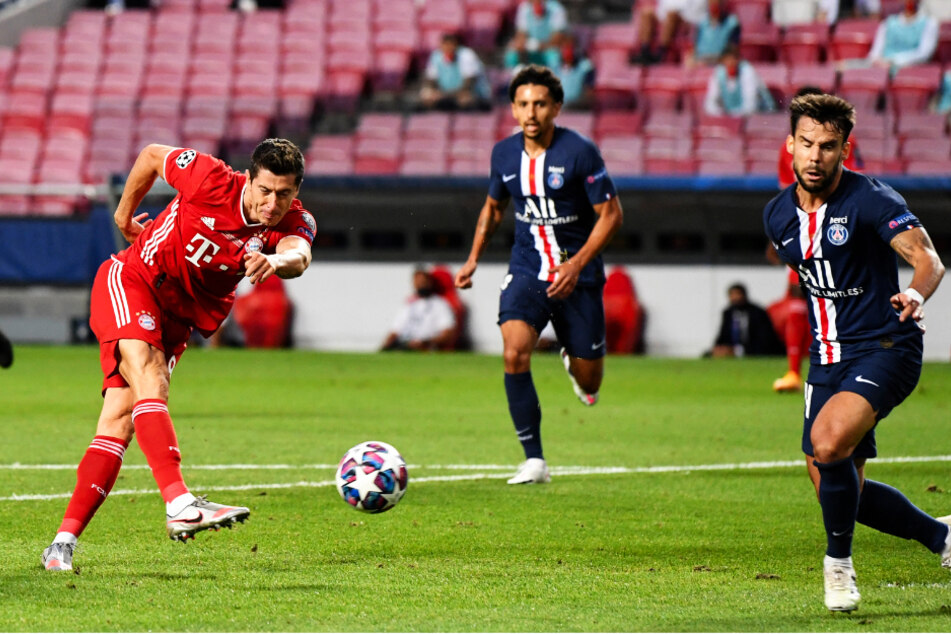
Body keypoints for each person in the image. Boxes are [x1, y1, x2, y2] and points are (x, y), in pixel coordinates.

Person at [40, 139, 315, 572]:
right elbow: (151, 155)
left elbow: (299, 255)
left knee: (119, 420)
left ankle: (61, 544)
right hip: (134, 280)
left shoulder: (292, 221)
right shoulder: (209, 177)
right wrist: (123, 214)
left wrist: (276, 263)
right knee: (151, 378)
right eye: (264, 190)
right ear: (248, 180)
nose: (272, 202)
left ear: (296, 192)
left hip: (176, 320)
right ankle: (180, 504)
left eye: (284, 194)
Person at [763, 92, 950, 613]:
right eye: (806, 144)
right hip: (828, 356)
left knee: (827, 443)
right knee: (833, 483)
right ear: (790, 146)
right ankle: (942, 537)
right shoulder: (777, 215)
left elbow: (927, 258)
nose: (815, 156)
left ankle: (838, 569)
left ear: (846, 148)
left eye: (828, 146)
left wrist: (914, 292)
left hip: (886, 345)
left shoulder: (872, 200)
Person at [454, 65, 624, 485]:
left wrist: (578, 263)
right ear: (513, 109)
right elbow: (494, 208)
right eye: (524, 104)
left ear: (557, 107)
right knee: (514, 350)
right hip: (528, 268)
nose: (532, 112)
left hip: (578, 274)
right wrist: (473, 257)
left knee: (591, 381)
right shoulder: (504, 154)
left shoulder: (581, 152)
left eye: (541, 104)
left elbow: (612, 215)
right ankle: (534, 459)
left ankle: (574, 360)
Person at [772, 85, 863, 393]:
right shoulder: (791, 152)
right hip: (805, 230)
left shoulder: (842, 144)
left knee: (845, 295)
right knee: (799, 294)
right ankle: (794, 371)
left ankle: (850, 365)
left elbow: (859, 183)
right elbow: (792, 197)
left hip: (842, 231)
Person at [838, 0, 938, 72]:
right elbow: (875, 53)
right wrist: (877, 61)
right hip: (881, 67)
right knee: (841, 67)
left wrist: (894, 61)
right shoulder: (888, 23)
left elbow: (923, 54)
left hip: (907, 69)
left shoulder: (929, 23)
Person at [381, 266, 458, 351]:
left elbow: (448, 333)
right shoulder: (409, 304)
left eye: (423, 282)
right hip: (405, 345)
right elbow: (395, 330)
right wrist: (386, 346)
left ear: (430, 282)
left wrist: (427, 343)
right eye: (418, 282)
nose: (421, 285)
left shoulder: (440, 304)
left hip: (427, 347)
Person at [420, 33, 492, 111]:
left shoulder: (466, 55)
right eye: (445, 46)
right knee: (426, 95)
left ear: (456, 46)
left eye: (450, 46)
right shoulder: (436, 56)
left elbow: (469, 84)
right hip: (448, 92)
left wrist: (444, 95)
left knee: (465, 99)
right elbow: (431, 79)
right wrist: (434, 91)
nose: (448, 49)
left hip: (475, 93)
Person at [710, 283, 785, 357]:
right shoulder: (728, 313)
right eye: (732, 295)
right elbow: (722, 335)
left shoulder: (757, 313)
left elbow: (765, 339)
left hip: (754, 351)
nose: (735, 297)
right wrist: (719, 348)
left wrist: (739, 350)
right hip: (731, 352)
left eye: (737, 294)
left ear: (744, 295)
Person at [703, 46, 775, 117]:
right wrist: (721, 114)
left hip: (762, 116)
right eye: (726, 62)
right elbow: (710, 103)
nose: (730, 64)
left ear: (738, 60)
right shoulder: (719, 72)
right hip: (734, 118)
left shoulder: (747, 71)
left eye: (732, 61)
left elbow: (751, 106)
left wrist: (731, 116)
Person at [634, 0, 708, 65]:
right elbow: (662, 8)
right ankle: (645, 51)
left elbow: (696, 11)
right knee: (646, 12)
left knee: (671, 14)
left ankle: (661, 53)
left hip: (688, 18)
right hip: (668, 14)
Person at [504, 0, 569, 71]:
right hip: (530, 49)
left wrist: (539, 46)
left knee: (554, 57)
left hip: (548, 49)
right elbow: (521, 33)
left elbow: (557, 38)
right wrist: (523, 44)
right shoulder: (525, 7)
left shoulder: (556, 8)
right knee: (511, 56)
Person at [683, 0, 740, 68]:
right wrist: (692, 58)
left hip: (721, 62)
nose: (714, 4)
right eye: (711, 2)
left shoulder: (732, 23)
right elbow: (694, 48)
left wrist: (714, 61)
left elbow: (732, 51)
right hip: (701, 61)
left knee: (730, 60)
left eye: (717, 2)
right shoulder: (701, 22)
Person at [553, 32, 595, 109]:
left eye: (571, 46)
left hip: (577, 107)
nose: (568, 50)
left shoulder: (585, 66)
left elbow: (589, 93)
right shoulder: (554, 67)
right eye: (565, 46)